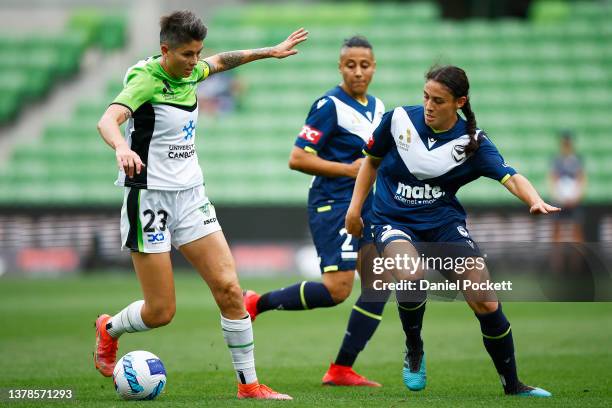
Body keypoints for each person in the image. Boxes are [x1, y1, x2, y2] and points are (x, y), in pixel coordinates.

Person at [95, 10, 307, 400]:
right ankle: (109, 329)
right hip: (149, 198)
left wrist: (271, 52)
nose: (196, 62)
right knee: (161, 312)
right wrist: (122, 146)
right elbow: (109, 119)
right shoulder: (145, 79)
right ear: (165, 50)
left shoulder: (190, 71)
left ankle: (250, 386)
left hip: (192, 196)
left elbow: (223, 61)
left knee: (229, 288)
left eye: (198, 53)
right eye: (188, 54)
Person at [346, 65, 557, 397]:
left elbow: (511, 176)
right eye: (426, 97)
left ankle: (513, 385)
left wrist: (535, 199)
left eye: (438, 100)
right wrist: (354, 208)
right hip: (391, 219)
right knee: (410, 275)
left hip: (443, 225)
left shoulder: (472, 143)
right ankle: (414, 348)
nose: (429, 105)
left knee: (486, 302)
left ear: (460, 102)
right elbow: (370, 162)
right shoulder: (398, 119)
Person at [242, 36, 388, 386]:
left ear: (374, 67)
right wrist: (348, 170)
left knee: (379, 284)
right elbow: (298, 158)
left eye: (364, 65)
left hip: (367, 206)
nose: (357, 71)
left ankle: (341, 368)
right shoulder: (329, 105)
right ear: (340, 67)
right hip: (333, 204)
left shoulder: (379, 107)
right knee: (338, 290)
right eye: (350, 65)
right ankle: (257, 303)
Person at [550, 131, 586, 243]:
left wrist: (576, 196)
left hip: (574, 200)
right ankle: (557, 259)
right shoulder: (556, 160)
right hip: (559, 199)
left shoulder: (577, 160)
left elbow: (582, 179)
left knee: (577, 230)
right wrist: (558, 196)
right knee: (556, 229)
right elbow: (552, 179)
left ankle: (578, 260)